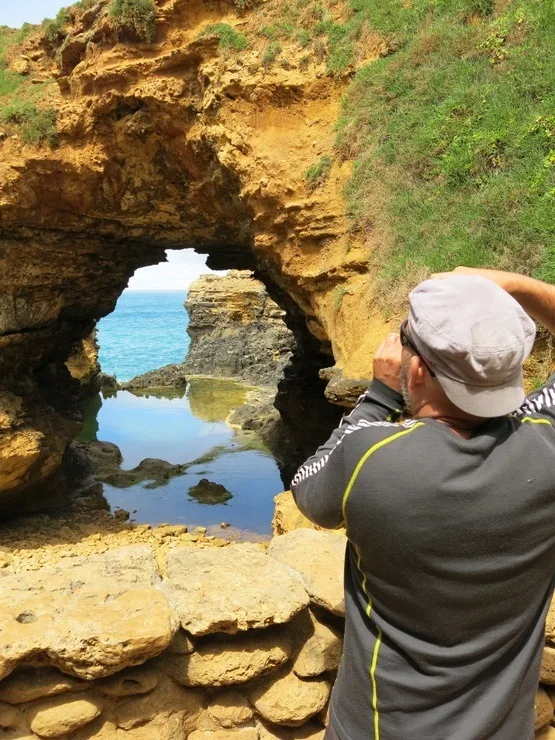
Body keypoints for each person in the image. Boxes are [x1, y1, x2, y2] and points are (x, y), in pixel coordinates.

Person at [291, 267, 555, 740]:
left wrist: (376, 398)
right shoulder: (547, 445)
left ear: (413, 370)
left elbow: (307, 490)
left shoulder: (369, 457)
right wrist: (509, 288)